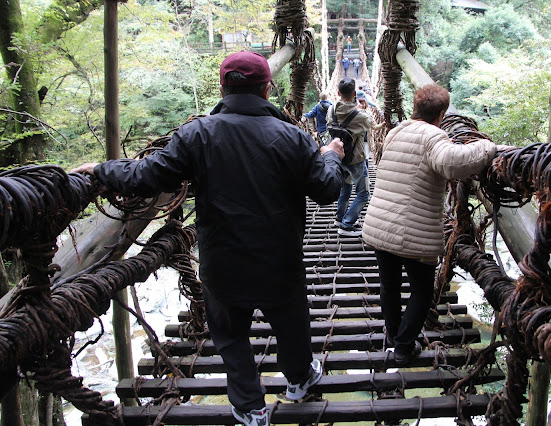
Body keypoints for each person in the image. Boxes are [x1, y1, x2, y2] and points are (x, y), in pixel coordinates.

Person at [71, 51, 345, 426]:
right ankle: (298, 379)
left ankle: (251, 408)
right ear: (267, 89)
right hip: (279, 260)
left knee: (230, 335)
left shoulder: (197, 134)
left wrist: (101, 170)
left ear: (221, 88)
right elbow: (327, 190)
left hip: (222, 261)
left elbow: (146, 177)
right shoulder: (293, 137)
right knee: (290, 324)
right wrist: (331, 155)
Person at [362, 84, 501, 366]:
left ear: (415, 108)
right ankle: (403, 347)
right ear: (441, 114)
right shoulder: (433, 136)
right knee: (422, 292)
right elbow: (453, 163)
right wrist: (489, 146)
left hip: (379, 225)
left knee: (389, 285)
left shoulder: (395, 131)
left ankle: (393, 336)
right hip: (413, 234)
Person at [327, 78, 377, 237]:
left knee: (345, 187)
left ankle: (340, 217)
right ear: (355, 94)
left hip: (339, 157)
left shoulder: (331, 110)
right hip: (355, 160)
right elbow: (371, 124)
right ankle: (347, 224)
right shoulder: (360, 116)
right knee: (363, 194)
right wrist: (363, 109)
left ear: (338, 93)